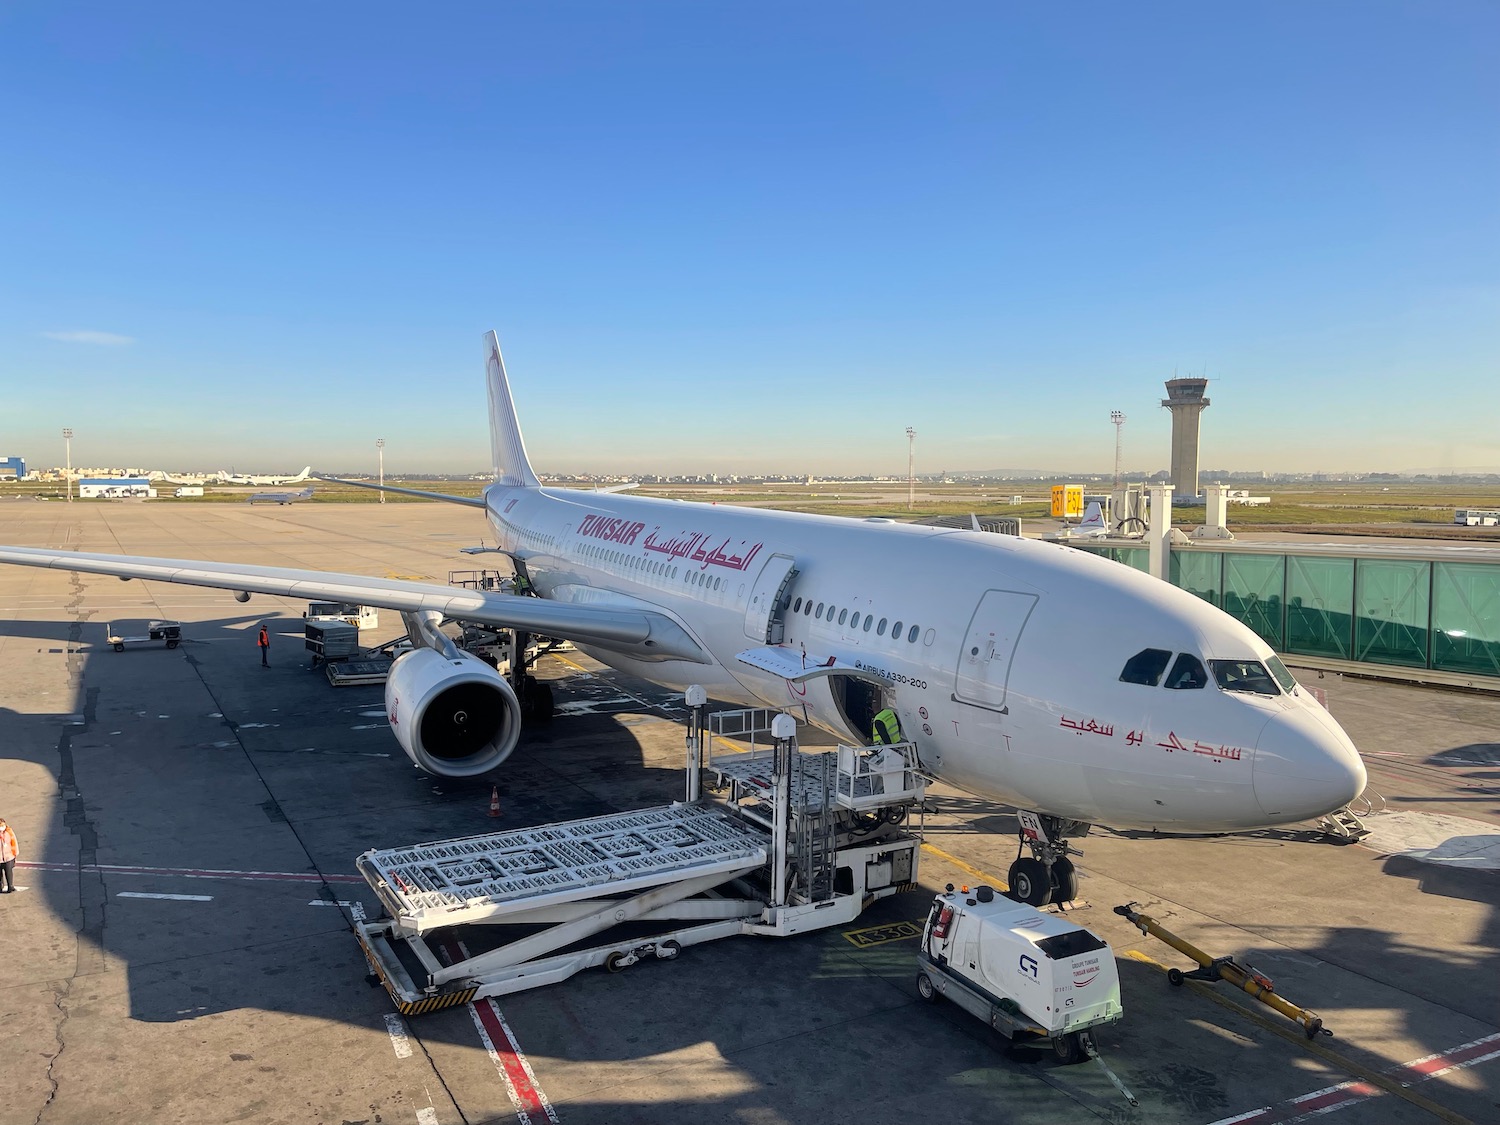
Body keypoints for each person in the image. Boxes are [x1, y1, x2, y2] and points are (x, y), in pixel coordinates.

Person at [0, 816, 17, 893]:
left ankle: (10, 886)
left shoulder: (9, 832)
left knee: (9, 872)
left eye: (3, 825)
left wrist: (15, 854)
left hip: (8, 857)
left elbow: (14, 843)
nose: (2, 827)